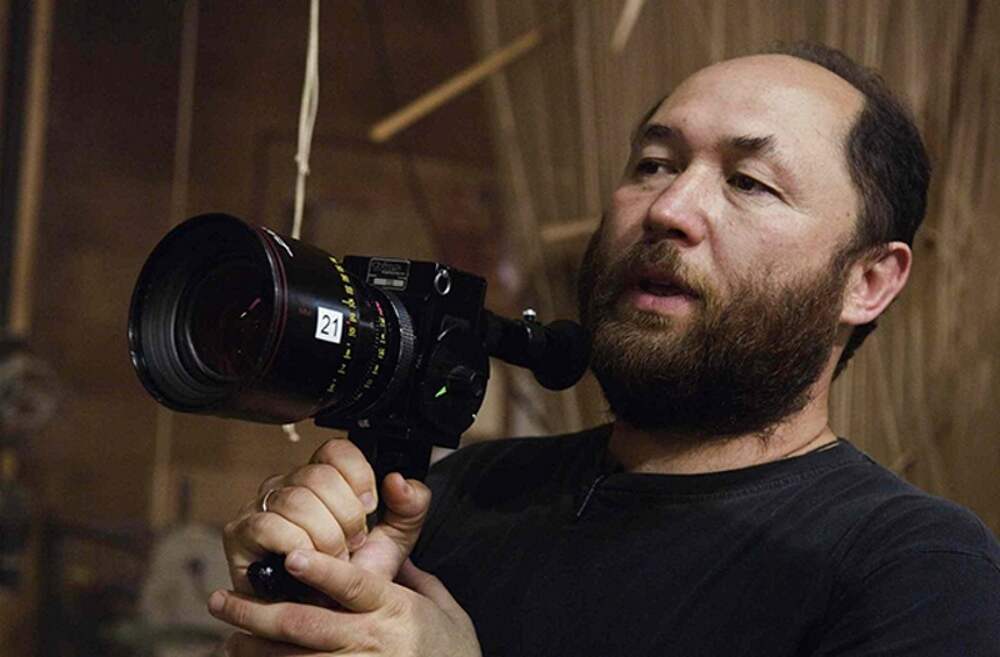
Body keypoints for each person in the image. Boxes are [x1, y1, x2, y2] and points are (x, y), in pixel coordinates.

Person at [208, 43, 1000, 655]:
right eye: (654, 164)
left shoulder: (916, 567)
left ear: (868, 280)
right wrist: (293, 613)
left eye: (749, 182)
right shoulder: (462, 495)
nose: (670, 207)